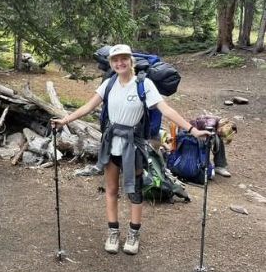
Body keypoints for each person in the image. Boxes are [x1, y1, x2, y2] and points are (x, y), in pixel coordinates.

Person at [52, 44, 211, 255]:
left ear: (130, 60)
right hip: (111, 143)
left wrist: (192, 130)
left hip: (133, 145)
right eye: (115, 60)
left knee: (135, 191)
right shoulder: (108, 84)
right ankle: (113, 233)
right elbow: (87, 107)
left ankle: (133, 235)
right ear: (111, 63)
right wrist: (64, 120)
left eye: (123, 59)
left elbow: (166, 109)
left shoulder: (144, 85)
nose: (120, 63)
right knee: (110, 190)